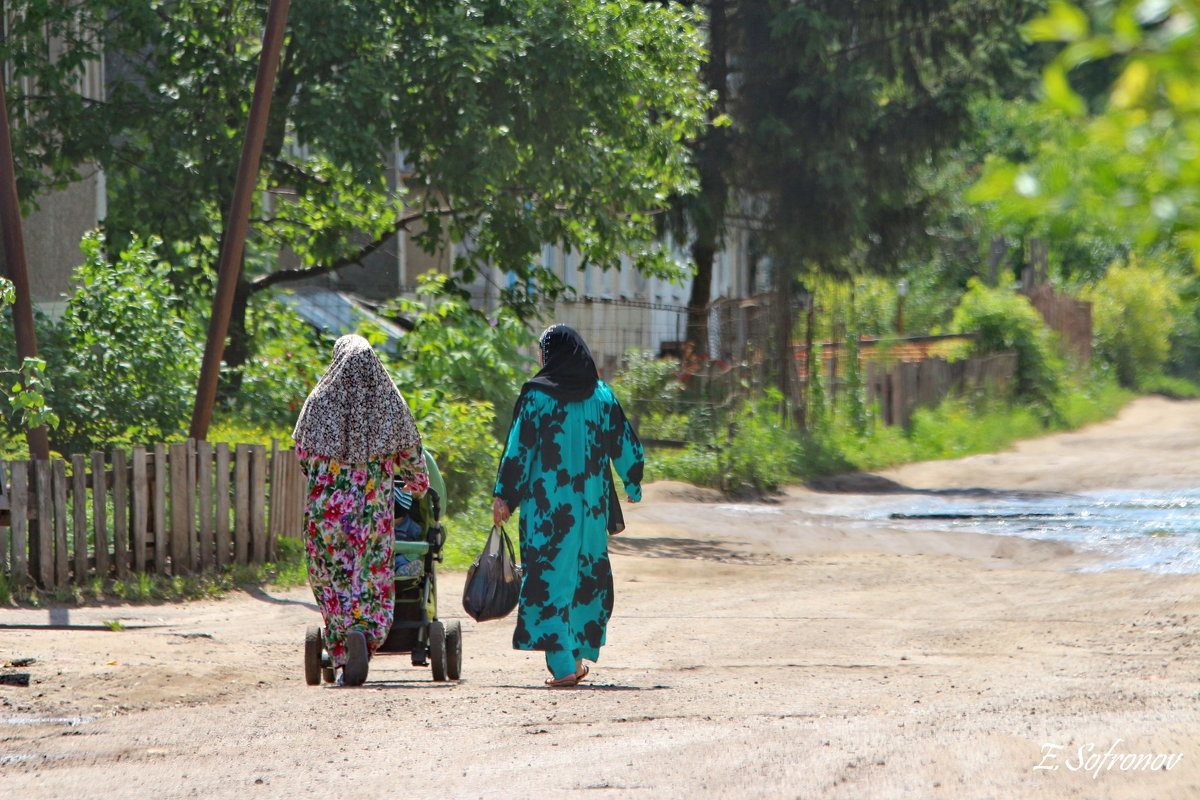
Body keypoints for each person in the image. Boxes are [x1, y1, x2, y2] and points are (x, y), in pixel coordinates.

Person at [492, 324, 644, 687]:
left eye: (541, 352)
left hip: (548, 511)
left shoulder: (537, 397)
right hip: (591, 510)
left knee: (549, 580)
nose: (538, 358)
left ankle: (562, 666)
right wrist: (633, 480)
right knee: (584, 579)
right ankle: (574, 660)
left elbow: (519, 451)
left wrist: (505, 495)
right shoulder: (601, 395)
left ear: (551, 355)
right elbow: (624, 441)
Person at [293, 335, 429, 686]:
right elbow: (412, 453)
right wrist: (415, 483)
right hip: (370, 516)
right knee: (368, 575)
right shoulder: (389, 401)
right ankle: (363, 634)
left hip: (325, 515)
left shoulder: (319, 400)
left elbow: (304, 458)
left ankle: (340, 645)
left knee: (331, 576)